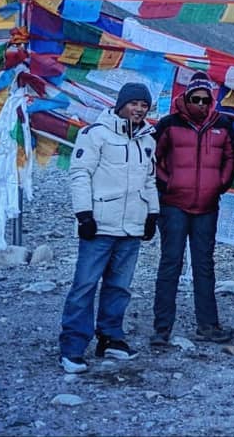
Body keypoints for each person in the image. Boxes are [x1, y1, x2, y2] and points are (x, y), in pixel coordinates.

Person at [59, 83, 159, 373]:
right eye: (135, 103)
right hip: (101, 224)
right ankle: (72, 348)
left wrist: (152, 214)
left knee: (119, 287)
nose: (139, 109)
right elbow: (80, 174)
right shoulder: (95, 134)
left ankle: (110, 337)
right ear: (121, 104)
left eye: (144, 105)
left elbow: (149, 180)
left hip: (131, 227)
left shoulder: (147, 140)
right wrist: (84, 215)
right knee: (85, 286)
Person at [151, 71, 234, 345]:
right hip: (173, 206)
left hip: (207, 207)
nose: (201, 104)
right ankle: (162, 327)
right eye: (196, 99)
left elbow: (231, 159)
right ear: (187, 97)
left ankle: (208, 325)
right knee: (170, 263)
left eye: (205, 99)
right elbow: (153, 159)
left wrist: (219, 185)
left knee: (204, 265)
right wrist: (169, 185)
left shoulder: (223, 125)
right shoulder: (168, 124)